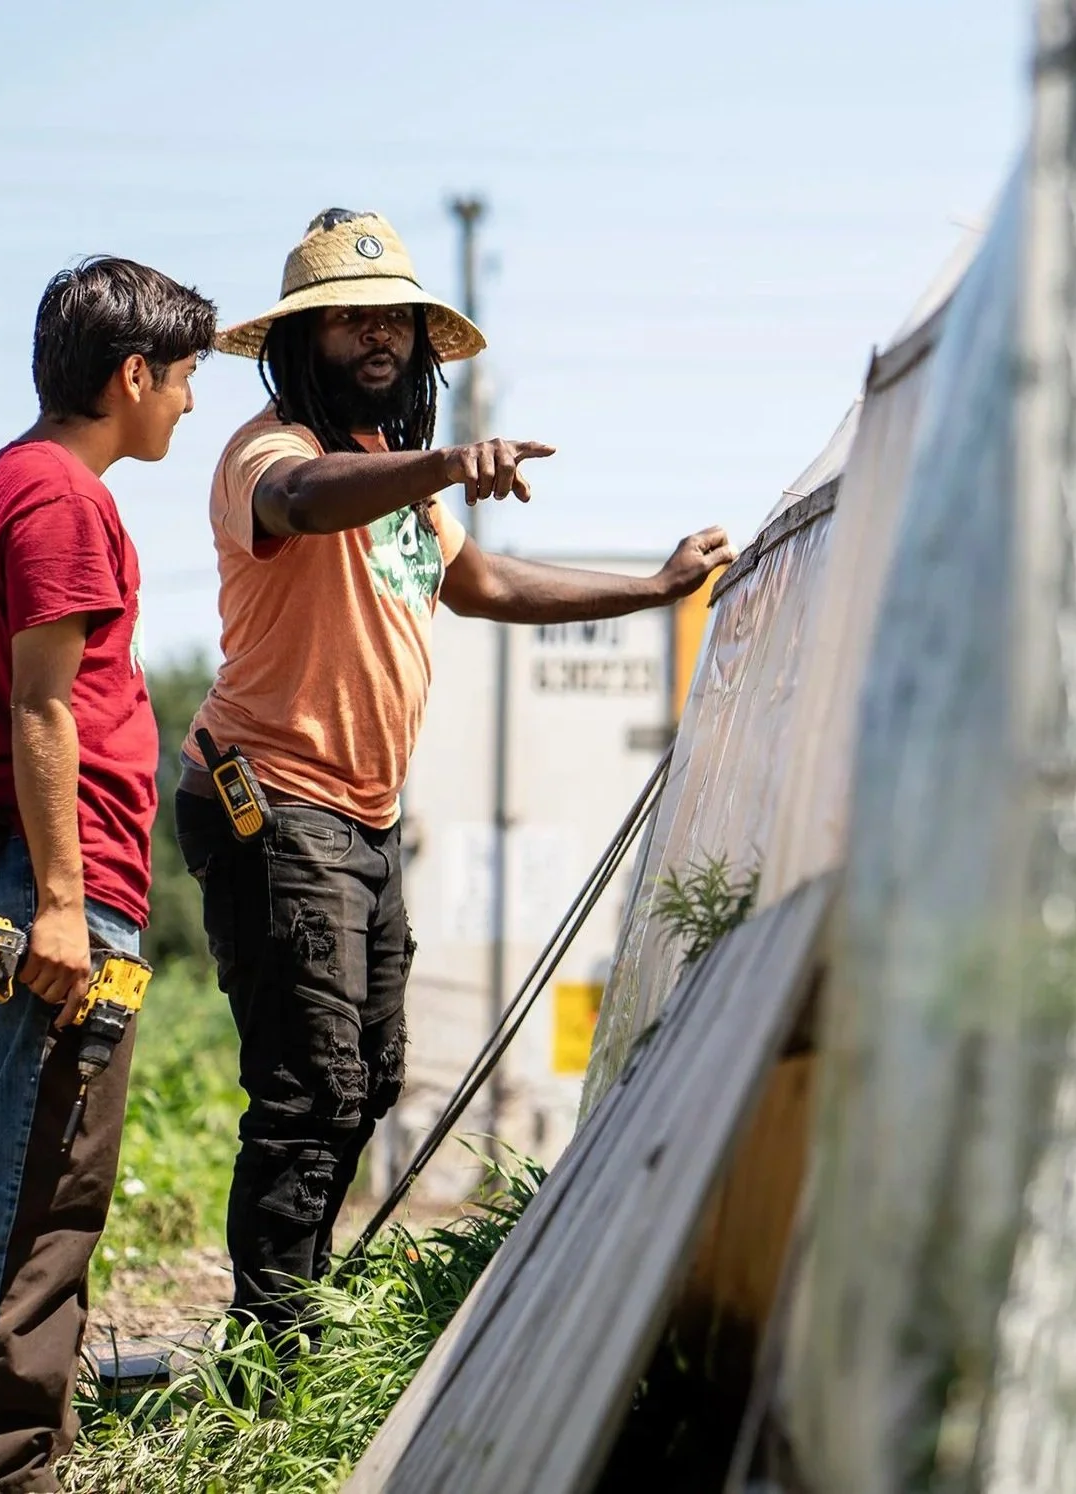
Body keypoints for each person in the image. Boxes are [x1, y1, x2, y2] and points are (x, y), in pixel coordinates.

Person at [175, 209, 732, 1347]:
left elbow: (480, 583)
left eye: (396, 320)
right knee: (309, 1091)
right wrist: (444, 461)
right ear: (301, 342)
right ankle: (272, 1351)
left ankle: (296, 1311)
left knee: (367, 1080)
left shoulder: (391, 474)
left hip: (360, 818)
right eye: (349, 320)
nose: (377, 336)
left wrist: (653, 589)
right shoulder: (269, 452)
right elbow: (301, 504)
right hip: (270, 802)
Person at [0, 256, 215, 1491]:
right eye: (185, 377)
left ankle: (8, 1453)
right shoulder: (56, 501)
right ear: (131, 373)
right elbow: (43, 709)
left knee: (42, 1171)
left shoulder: (19, 483)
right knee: (40, 1184)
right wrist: (56, 907)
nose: (192, 405)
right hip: (56, 890)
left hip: (46, 877)